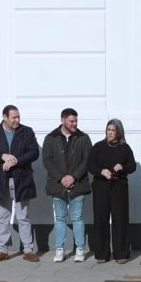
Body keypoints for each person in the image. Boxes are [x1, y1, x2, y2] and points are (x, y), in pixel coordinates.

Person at [0, 105, 41, 262]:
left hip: (22, 179)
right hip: (0, 181)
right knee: (3, 217)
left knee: (24, 216)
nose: (17, 120)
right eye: (14, 117)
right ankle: (2, 250)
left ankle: (28, 250)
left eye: (18, 117)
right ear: (5, 117)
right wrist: (2, 156)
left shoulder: (26, 131)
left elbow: (34, 152)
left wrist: (16, 161)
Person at [42, 108, 92, 263]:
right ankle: (60, 249)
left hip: (78, 184)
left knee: (77, 217)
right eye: (71, 121)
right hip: (58, 185)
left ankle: (80, 248)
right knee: (60, 217)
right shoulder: (51, 138)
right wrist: (61, 178)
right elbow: (47, 160)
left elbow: (87, 160)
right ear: (63, 120)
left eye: (76, 120)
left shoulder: (83, 138)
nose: (75, 123)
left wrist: (73, 177)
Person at [88, 119, 137, 263]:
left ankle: (121, 254)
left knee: (120, 219)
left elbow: (132, 166)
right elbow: (90, 165)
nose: (110, 133)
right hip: (101, 186)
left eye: (113, 130)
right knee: (101, 219)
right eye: (108, 129)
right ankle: (102, 254)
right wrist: (101, 171)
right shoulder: (98, 147)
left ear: (119, 132)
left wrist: (122, 167)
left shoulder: (125, 148)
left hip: (119, 187)